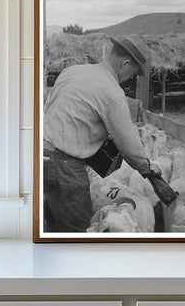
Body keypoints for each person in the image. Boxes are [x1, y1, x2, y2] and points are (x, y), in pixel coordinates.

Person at [43, 34, 161, 232]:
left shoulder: (71, 71)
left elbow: (55, 110)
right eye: (134, 72)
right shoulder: (112, 93)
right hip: (67, 168)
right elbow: (130, 146)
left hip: (40, 157)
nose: (131, 77)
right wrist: (148, 170)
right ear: (125, 63)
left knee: (53, 228)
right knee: (78, 233)